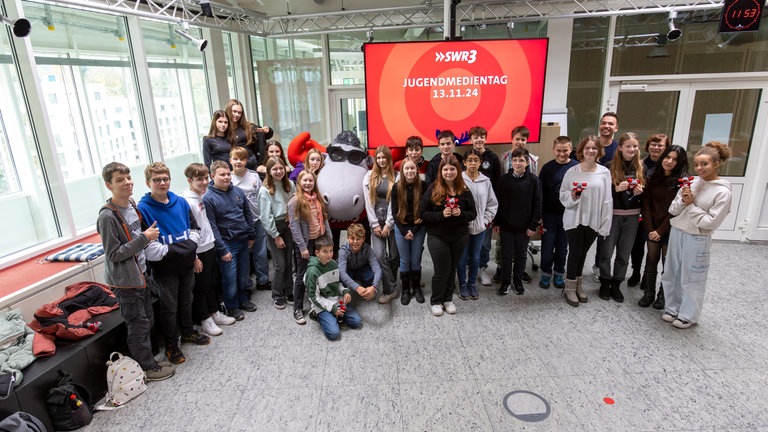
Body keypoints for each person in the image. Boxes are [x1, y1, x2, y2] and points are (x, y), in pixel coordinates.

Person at [97, 162, 175, 381]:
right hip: (126, 282)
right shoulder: (107, 217)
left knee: (148, 319)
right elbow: (114, 254)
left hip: (141, 274)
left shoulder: (131, 204)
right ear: (109, 185)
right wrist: (144, 238)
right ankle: (147, 369)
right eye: (119, 180)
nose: (127, 182)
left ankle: (149, 360)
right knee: (138, 325)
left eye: (128, 177)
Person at [137, 162, 209, 365]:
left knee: (187, 300)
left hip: (186, 264)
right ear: (148, 182)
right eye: (157, 180)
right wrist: (186, 251)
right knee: (169, 307)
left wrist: (192, 256)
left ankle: (187, 332)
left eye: (165, 179)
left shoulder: (180, 202)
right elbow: (151, 250)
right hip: (164, 269)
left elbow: (194, 230)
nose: (162, 183)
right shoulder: (143, 209)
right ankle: (171, 345)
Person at [661, 142, 732, 329]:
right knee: (672, 272)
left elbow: (711, 222)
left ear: (716, 164)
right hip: (678, 231)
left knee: (692, 276)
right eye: (697, 164)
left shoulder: (722, 192)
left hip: (697, 237)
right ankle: (672, 308)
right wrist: (684, 201)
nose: (699, 168)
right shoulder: (691, 183)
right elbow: (673, 209)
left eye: (705, 164)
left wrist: (691, 206)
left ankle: (688, 314)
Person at [181, 163, 235, 337]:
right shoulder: (187, 202)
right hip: (199, 250)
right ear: (189, 180)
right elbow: (188, 232)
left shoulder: (201, 197)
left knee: (211, 283)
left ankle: (214, 312)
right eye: (199, 179)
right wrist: (194, 256)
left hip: (210, 246)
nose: (204, 182)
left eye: (205, 178)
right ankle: (204, 319)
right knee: (201, 286)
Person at [559, 136, 613, 307]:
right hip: (574, 219)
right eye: (587, 148)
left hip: (593, 219)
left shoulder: (604, 172)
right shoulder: (572, 171)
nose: (591, 151)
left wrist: (605, 223)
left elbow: (607, 200)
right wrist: (572, 196)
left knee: (583, 254)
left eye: (594, 148)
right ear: (581, 150)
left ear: (599, 151)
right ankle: (569, 287)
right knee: (575, 252)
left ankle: (578, 285)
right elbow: (563, 194)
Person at [420, 156, 477, 316]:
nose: (449, 172)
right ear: (441, 171)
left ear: (457, 171)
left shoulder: (464, 190)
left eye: (452, 169)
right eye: (445, 169)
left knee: (452, 268)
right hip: (437, 236)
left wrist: (462, 213)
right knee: (441, 270)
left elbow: (473, 213)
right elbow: (423, 213)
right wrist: (441, 215)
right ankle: (436, 301)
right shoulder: (433, 188)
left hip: (459, 236)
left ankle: (448, 299)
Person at [202, 161, 259, 322]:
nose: (227, 177)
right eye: (222, 174)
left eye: (228, 174)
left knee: (243, 274)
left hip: (243, 240)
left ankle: (243, 300)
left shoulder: (238, 192)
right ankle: (232, 306)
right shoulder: (209, 198)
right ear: (213, 176)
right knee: (229, 278)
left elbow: (247, 214)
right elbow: (212, 227)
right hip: (227, 245)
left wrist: (252, 235)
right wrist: (222, 250)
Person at [638, 145, 688, 309]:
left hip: (670, 228)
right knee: (651, 259)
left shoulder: (683, 182)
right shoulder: (653, 177)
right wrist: (651, 228)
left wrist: (660, 231)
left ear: (680, 163)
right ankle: (649, 293)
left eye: (674, 159)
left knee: (668, 263)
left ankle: (662, 295)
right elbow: (646, 205)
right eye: (667, 157)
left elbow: (676, 210)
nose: (669, 161)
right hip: (652, 226)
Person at [597, 132, 645, 303]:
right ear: (620, 148)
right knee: (606, 252)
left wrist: (640, 193)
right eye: (628, 146)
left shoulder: (641, 168)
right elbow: (601, 194)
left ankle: (617, 284)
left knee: (624, 254)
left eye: (634, 146)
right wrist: (614, 190)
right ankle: (604, 282)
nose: (631, 149)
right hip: (612, 215)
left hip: (632, 217)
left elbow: (646, 196)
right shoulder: (609, 167)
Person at [492, 125, 538, 285]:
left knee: (521, 246)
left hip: (523, 208)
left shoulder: (533, 160)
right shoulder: (503, 158)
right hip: (506, 207)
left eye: (523, 139)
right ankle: (501, 267)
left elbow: (534, 186)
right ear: (512, 139)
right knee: (502, 244)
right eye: (517, 139)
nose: (519, 142)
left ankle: (520, 270)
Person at [288, 170, 332, 325]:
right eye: (304, 181)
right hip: (305, 244)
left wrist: (329, 239)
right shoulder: (296, 201)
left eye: (310, 181)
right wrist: (302, 247)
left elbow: (323, 219)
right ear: (299, 182)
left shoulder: (317, 198)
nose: (308, 183)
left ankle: (319, 302)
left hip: (318, 240)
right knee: (301, 275)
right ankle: (297, 308)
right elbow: (294, 226)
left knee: (319, 271)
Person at [627, 133, 670, 288]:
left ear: (666, 148)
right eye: (653, 144)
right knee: (637, 245)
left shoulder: (667, 166)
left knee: (655, 248)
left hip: (659, 214)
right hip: (640, 211)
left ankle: (648, 275)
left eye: (660, 145)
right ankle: (636, 271)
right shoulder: (640, 164)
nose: (656, 148)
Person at [537, 136, 579, 289]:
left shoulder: (576, 167)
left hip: (569, 215)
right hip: (549, 215)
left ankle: (559, 274)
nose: (562, 154)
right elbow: (540, 193)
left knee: (563, 247)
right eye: (559, 151)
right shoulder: (547, 168)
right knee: (547, 247)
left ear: (571, 149)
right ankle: (546, 274)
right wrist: (539, 216)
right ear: (553, 150)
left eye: (565, 150)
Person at [457, 149, 497, 300]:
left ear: (480, 162)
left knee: (475, 257)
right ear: (464, 162)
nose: (473, 163)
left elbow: (492, 204)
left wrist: (485, 220)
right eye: (470, 160)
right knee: (462, 257)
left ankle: (471, 284)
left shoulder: (486, 181)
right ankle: (462, 283)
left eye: (476, 160)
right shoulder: (459, 179)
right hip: (462, 228)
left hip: (479, 227)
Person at [229, 147, 270, 293]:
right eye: (235, 159)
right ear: (230, 160)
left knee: (261, 252)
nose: (238, 162)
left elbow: (261, 197)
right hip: (240, 223)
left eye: (242, 159)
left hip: (257, 219)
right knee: (244, 255)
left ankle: (263, 280)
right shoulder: (229, 179)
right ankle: (246, 284)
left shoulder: (253, 176)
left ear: (246, 161)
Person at [306, 236, 363, 341]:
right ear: (317, 253)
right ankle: (318, 314)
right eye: (325, 252)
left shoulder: (333, 263)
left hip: (336, 300)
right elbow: (314, 297)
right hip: (322, 304)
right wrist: (332, 309)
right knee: (334, 334)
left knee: (357, 322)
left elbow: (337, 283)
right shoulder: (312, 271)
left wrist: (345, 291)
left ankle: (334, 317)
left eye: (331, 251)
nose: (329, 254)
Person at [258, 156, 296, 310]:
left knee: (288, 261)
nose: (278, 171)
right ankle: (277, 294)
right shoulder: (265, 190)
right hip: (274, 227)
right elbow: (265, 217)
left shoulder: (290, 184)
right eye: (275, 169)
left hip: (288, 225)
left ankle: (289, 290)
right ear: (269, 171)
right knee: (279, 264)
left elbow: (293, 205)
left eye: (281, 168)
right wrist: (276, 236)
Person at [363, 145, 399, 304]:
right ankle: (391, 289)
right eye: (378, 157)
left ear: (389, 159)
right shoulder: (369, 175)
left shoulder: (396, 176)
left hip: (392, 221)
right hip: (376, 221)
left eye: (384, 157)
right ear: (375, 159)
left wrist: (389, 224)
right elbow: (368, 202)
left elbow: (395, 202)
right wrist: (375, 224)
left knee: (394, 256)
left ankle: (390, 284)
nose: (381, 160)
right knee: (379, 255)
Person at [391, 159, 426, 305]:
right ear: (402, 171)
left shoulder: (424, 186)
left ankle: (416, 288)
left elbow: (424, 211)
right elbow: (394, 212)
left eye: (412, 168)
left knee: (415, 259)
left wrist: (414, 230)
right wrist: (405, 230)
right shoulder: (396, 187)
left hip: (419, 227)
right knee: (404, 260)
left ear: (416, 170)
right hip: (401, 228)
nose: (410, 171)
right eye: (407, 169)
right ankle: (406, 290)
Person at [337, 223, 383, 303]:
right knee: (340, 277)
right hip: (348, 270)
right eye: (352, 238)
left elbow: (377, 269)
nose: (355, 242)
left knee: (372, 275)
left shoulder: (367, 249)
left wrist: (374, 287)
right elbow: (342, 273)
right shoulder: (343, 251)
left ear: (363, 239)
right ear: (347, 238)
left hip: (361, 269)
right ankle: (345, 293)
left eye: (358, 239)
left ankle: (367, 290)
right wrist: (357, 287)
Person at [225, 99, 273, 170]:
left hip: (251, 163)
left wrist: (267, 130)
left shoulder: (248, 127)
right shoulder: (224, 129)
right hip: (234, 165)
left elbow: (266, 135)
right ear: (228, 111)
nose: (237, 115)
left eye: (239, 113)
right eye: (234, 111)